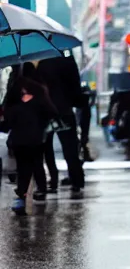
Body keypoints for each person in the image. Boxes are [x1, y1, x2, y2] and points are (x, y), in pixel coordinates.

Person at [3, 76, 57, 215]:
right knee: (33, 165)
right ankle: (37, 190)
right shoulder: (39, 99)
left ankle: (22, 196)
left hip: (22, 140)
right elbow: (52, 113)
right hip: (33, 140)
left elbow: (7, 123)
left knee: (24, 168)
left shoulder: (14, 103)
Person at [37, 55, 85, 194]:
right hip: (65, 110)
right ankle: (76, 180)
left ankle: (53, 180)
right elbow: (75, 86)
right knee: (70, 148)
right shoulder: (68, 62)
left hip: (46, 111)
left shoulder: (41, 63)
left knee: (46, 148)